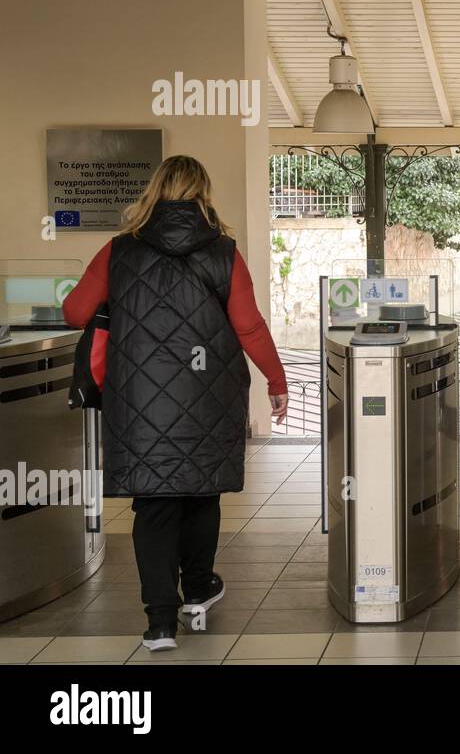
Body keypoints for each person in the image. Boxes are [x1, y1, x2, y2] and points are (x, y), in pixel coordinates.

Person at [63, 155, 288, 652]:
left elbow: (76, 311)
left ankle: (160, 622)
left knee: (154, 503)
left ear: (155, 191)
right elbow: (249, 326)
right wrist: (277, 380)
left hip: (139, 400)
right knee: (201, 493)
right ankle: (200, 590)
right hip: (208, 393)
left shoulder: (119, 251)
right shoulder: (223, 252)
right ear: (203, 194)